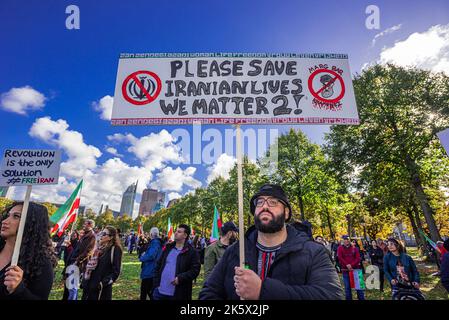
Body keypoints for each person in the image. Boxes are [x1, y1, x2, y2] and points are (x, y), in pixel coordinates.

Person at [199, 184, 343, 300]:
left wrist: (263, 290)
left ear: (286, 213)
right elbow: (208, 292)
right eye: (259, 202)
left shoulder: (313, 252)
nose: (265, 206)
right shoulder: (235, 250)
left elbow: (331, 295)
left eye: (273, 202)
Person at [0, 202, 57, 299]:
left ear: (32, 223)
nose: (5, 221)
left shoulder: (41, 264)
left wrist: (19, 290)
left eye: (16, 216)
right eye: (8, 215)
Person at [153, 224, 200, 300]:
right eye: (176, 231)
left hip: (177, 294)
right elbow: (158, 264)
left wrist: (181, 278)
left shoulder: (192, 252)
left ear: (185, 235)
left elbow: (195, 270)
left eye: (179, 232)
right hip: (159, 292)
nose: (175, 233)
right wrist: (156, 284)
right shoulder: (168, 247)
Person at [81, 226, 122, 300]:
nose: (101, 235)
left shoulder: (115, 249)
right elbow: (90, 266)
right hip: (90, 285)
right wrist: (85, 279)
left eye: (104, 234)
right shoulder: (98, 247)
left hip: (101, 289)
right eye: (102, 233)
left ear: (110, 237)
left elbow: (116, 271)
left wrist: (103, 283)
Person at [337, 235, 365, 300]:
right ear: (342, 240)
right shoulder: (340, 248)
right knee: (347, 288)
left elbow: (358, 258)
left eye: (347, 239)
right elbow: (340, 257)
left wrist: (351, 265)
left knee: (359, 288)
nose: (346, 240)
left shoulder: (355, 248)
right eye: (345, 239)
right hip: (345, 270)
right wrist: (347, 265)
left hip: (356, 269)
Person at [139, 227, 163, 300]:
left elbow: (151, 255)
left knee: (147, 293)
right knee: (148, 293)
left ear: (151, 234)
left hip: (150, 271)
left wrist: (142, 257)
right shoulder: (156, 242)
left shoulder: (155, 243)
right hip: (150, 270)